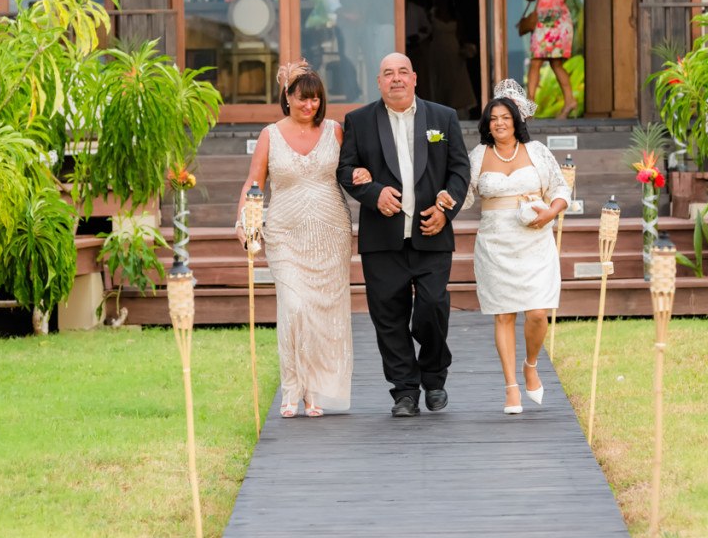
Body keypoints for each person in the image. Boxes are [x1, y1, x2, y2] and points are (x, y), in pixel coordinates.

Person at [337, 52, 470, 417]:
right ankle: (405, 392)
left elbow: (459, 169)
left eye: (402, 72)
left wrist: (446, 211)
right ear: (378, 82)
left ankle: (434, 376)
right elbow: (346, 169)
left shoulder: (443, 117)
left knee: (432, 307)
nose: (396, 79)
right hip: (382, 238)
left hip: (432, 232)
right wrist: (373, 192)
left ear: (415, 78)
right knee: (389, 317)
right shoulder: (359, 121)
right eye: (388, 74)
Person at [236, 60, 364, 418]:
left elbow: (352, 169)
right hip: (284, 233)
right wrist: (247, 221)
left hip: (331, 231)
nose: (310, 106)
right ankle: (292, 387)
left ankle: (316, 391)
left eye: (316, 100)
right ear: (287, 97)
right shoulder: (270, 135)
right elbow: (254, 182)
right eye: (303, 99)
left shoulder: (336, 131)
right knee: (293, 309)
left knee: (324, 314)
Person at [461, 80, 571, 414]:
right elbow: (462, 196)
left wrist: (551, 212)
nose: (499, 123)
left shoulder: (537, 152)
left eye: (505, 117)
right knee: (504, 315)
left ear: (516, 120)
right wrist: (440, 194)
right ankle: (511, 388)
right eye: (493, 118)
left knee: (537, 313)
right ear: (486, 124)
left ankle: (531, 364)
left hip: (535, 241)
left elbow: (560, 189)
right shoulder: (478, 155)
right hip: (495, 244)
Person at [523, 0, 577, 119]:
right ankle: (569, 100)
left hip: (545, 23)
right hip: (562, 23)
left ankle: (529, 108)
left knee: (536, 63)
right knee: (556, 63)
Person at [426, 0, 476, 119]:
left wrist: (464, 48)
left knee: (455, 81)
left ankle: (458, 111)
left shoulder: (454, 15)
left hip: (453, 51)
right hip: (437, 51)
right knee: (439, 81)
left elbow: (461, 34)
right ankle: (440, 112)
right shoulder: (431, 14)